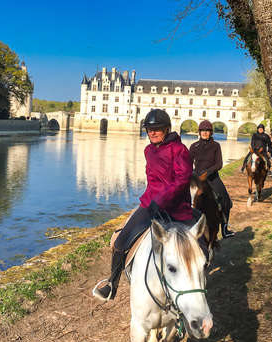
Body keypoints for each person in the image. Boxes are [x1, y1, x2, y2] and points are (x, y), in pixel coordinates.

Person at [92, 109, 194, 302]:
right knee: (121, 242)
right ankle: (112, 284)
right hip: (150, 204)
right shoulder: (148, 150)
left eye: (157, 129)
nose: (153, 133)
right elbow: (152, 181)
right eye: (149, 129)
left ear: (166, 129)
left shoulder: (180, 150)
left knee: (195, 247)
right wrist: (150, 200)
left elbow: (182, 180)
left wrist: (161, 200)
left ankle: (196, 287)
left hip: (176, 207)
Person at [189, 120, 235, 239]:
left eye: (207, 131)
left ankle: (225, 229)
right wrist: (193, 175)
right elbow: (188, 163)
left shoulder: (216, 146)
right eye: (203, 131)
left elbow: (219, 164)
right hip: (197, 178)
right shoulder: (194, 146)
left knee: (226, 201)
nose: (205, 133)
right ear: (199, 132)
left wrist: (207, 173)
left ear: (211, 133)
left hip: (212, 178)